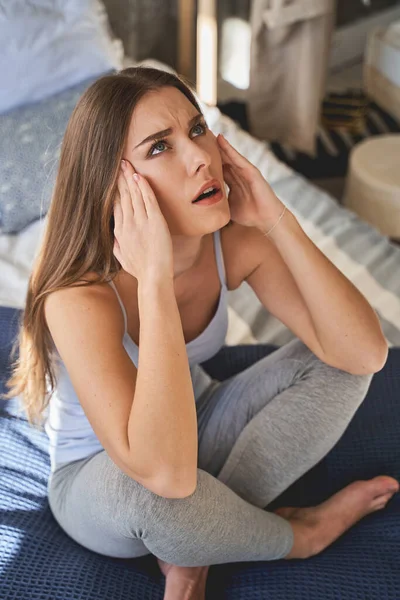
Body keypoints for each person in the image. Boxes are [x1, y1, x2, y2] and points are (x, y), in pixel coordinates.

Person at [4, 66, 398, 600]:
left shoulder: (231, 241)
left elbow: (365, 351)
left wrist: (275, 216)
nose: (198, 157)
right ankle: (294, 535)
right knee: (154, 495)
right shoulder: (79, 297)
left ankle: (199, 542)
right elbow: (162, 476)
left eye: (195, 130)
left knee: (342, 366)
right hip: (105, 480)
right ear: (117, 183)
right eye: (159, 147)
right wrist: (154, 281)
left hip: (196, 422)